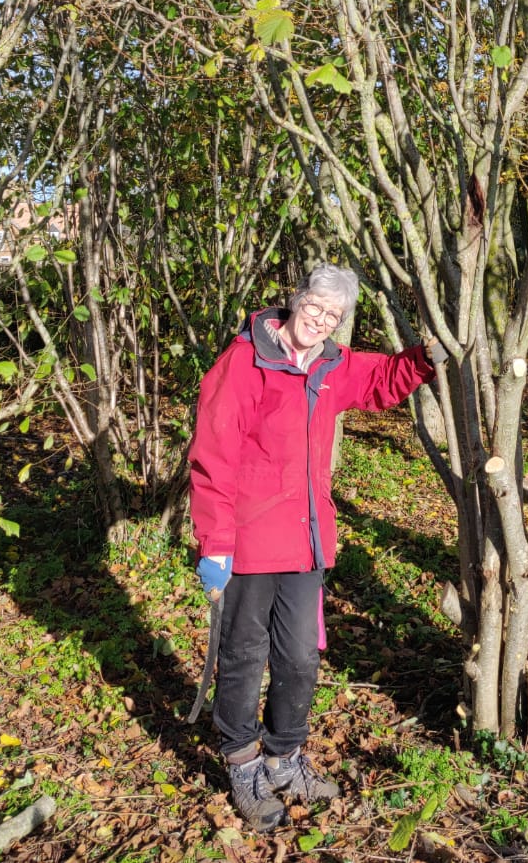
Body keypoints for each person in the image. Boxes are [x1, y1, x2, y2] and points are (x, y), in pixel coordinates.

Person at [189, 263, 445, 831]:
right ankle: (242, 762)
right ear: (297, 300)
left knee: (301, 657)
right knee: (242, 657)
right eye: (315, 308)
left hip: (306, 541)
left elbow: (381, 380)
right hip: (248, 543)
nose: (321, 321)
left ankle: (285, 756)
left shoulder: (330, 365)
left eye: (333, 316)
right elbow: (213, 454)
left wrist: (427, 356)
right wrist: (216, 542)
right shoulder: (245, 362)